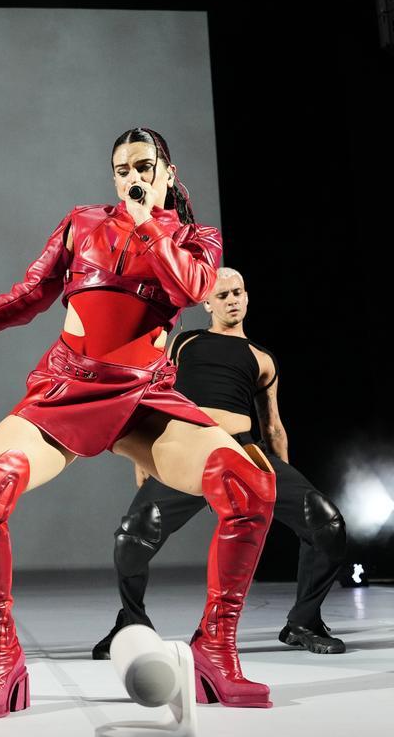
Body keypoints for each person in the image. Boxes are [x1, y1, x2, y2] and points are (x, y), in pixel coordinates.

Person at [0, 128, 277, 721]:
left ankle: (217, 650)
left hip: (147, 398)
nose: (132, 175)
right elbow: (28, 295)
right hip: (67, 386)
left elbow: (188, 285)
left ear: (167, 171)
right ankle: (3, 660)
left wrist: (147, 219)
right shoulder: (81, 224)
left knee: (248, 486)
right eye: (121, 168)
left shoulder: (197, 239)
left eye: (143, 165)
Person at [91, 268, 348, 660]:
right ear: (207, 303)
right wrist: (145, 454)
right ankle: (132, 621)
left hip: (243, 453)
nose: (232, 300)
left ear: (247, 296)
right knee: (131, 537)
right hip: (186, 451)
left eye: (238, 292)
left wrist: (283, 483)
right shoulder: (185, 342)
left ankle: (303, 622)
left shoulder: (262, 359)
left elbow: (273, 427)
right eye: (223, 294)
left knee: (326, 523)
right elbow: (152, 394)